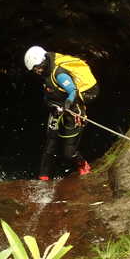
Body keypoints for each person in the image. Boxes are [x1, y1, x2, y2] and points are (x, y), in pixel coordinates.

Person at [23, 45, 98, 181]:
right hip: (56, 110)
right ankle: (43, 177)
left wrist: (67, 105)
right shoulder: (44, 73)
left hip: (72, 110)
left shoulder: (59, 74)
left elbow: (73, 91)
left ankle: (82, 164)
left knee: (68, 152)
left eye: (37, 67)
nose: (37, 71)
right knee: (50, 145)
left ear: (43, 61)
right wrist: (53, 107)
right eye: (34, 69)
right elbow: (48, 95)